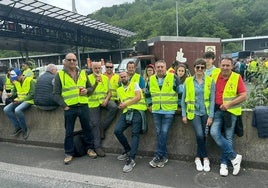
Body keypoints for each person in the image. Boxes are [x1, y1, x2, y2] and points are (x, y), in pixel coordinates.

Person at [53, 53, 97, 165]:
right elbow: (55, 94)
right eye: (69, 60)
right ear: (65, 61)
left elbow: (91, 88)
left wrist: (87, 91)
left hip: (83, 105)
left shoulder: (83, 73)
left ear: (76, 61)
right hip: (70, 108)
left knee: (87, 128)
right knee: (68, 131)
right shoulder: (60, 75)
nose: (72, 62)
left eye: (74, 60)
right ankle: (69, 153)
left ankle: (90, 149)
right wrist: (64, 106)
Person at [210, 57, 247, 176]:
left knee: (229, 137)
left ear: (232, 66)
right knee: (214, 133)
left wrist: (229, 104)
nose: (225, 67)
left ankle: (224, 164)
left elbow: (243, 95)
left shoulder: (237, 77)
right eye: (223, 65)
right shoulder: (215, 75)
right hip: (217, 111)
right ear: (219, 66)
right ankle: (234, 157)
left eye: (227, 65)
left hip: (231, 112)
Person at [181, 58, 215, 172]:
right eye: (197, 67)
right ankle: (205, 158)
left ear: (205, 68)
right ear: (194, 68)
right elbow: (183, 99)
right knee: (200, 135)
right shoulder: (188, 81)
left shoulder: (210, 81)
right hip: (193, 112)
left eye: (202, 67)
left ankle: (197, 157)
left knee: (205, 135)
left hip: (205, 112)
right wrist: (183, 114)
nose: (200, 69)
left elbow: (212, 100)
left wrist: (211, 116)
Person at [145, 60, 180, 168]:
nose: (160, 69)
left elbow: (180, 92)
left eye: (162, 67)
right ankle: (164, 157)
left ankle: (158, 155)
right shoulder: (150, 79)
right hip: (156, 111)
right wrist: (149, 105)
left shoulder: (173, 78)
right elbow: (147, 94)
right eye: (158, 67)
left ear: (166, 68)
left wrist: (179, 107)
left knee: (163, 132)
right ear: (155, 68)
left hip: (168, 111)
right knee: (159, 132)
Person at [114, 71, 147, 173]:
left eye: (125, 76)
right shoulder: (119, 89)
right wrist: (120, 105)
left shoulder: (134, 84)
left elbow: (138, 97)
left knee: (135, 133)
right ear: (120, 79)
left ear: (128, 77)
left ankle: (132, 159)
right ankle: (128, 150)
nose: (123, 78)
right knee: (117, 131)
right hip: (126, 112)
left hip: (137, 110)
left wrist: (125, 104)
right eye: (121, 77)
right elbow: (121, 102)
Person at [88, 61, 118, 157]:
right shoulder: (87, 78)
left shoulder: (105, 78)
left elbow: (109, 92)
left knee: (114, 107)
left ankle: (103, 127)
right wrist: (95, 84)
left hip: (103, 101)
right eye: (95, 68)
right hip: (93, 103)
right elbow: (87, 93)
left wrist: (106, 99)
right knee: (94, 124)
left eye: (99, 68)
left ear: (101, 69)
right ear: (92, 69)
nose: (97, 70)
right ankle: (97, 147)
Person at [3, 68, 35, 140]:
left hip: (29, 100)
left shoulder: (30, 80)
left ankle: (25, 129)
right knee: (6, 109)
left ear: (20, 75)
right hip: (19, 100)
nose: (15, 80)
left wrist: (21, 100)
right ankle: (18, 127)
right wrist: (11, 94)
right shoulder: (16, 81)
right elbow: (14, 92)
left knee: (17, 110)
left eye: (16, 78)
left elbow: (32, 94)